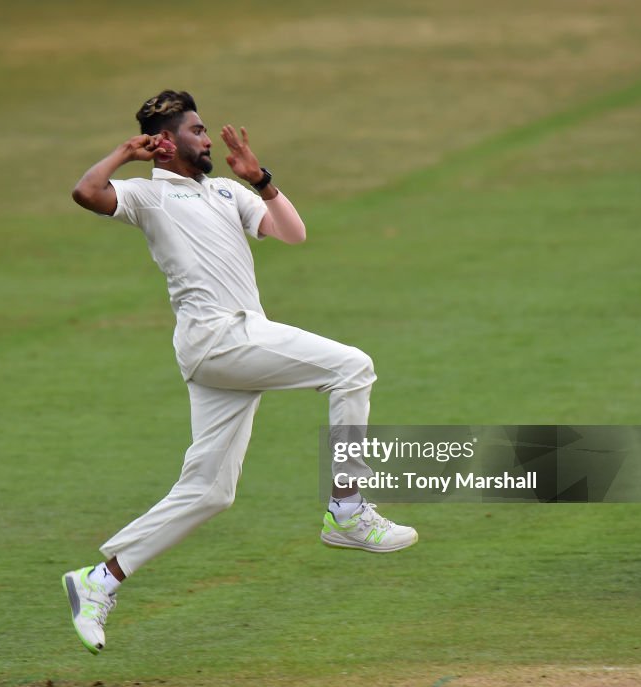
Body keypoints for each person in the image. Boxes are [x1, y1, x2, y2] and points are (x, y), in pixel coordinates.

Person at [63, 90, 417, 654]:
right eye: (197, 131)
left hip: (233, 344)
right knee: (354, 368)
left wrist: (262, 179)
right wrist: (121, 154)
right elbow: (87, 192)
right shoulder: (147, 196)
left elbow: (293, 234)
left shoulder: (226, 191)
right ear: (166, 143)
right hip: (221, 336)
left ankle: (99, 580)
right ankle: (347, 510)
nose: (207, 139)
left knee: (209, 492)